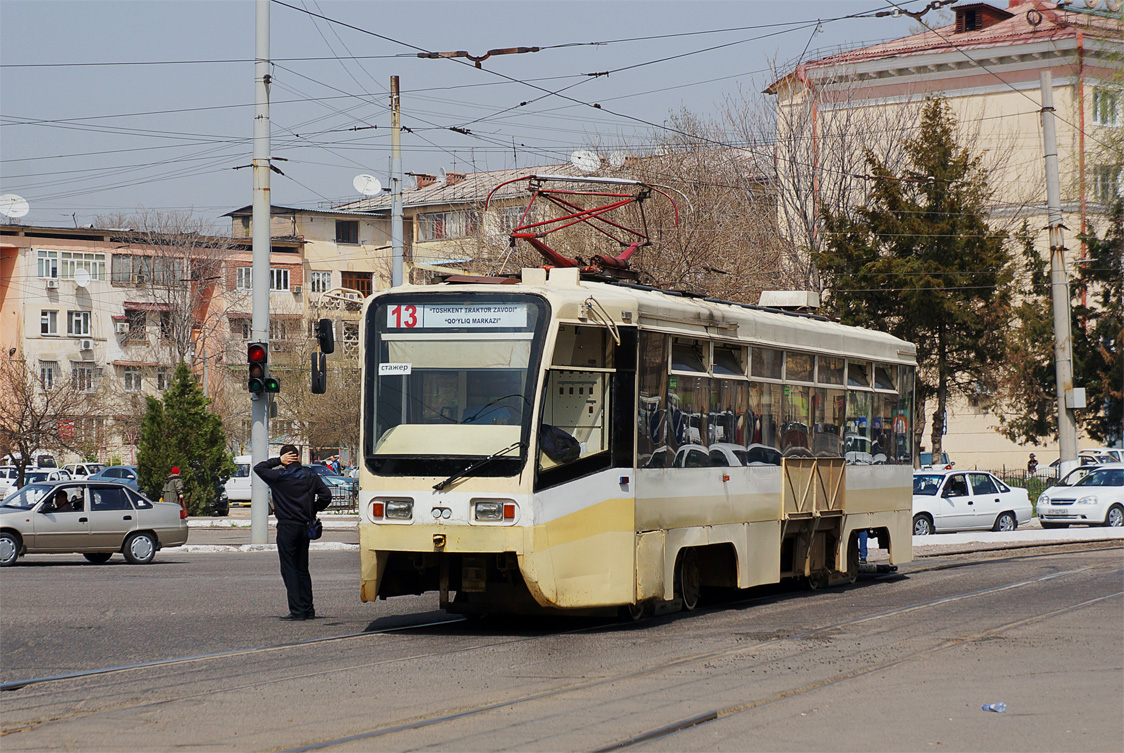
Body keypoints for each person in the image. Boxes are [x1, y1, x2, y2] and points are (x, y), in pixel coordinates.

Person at [254, 445, 332, 621]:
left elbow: (258, 468)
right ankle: (308, 608)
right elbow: (326, 495)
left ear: (284, 458)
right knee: (302, 568)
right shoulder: (310, 474)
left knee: (289, 569)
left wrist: (276, 461)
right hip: (305, 526)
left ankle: (297, 611)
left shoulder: (279, 476)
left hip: (287, 526)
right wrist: (313, 510)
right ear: (298, 457)